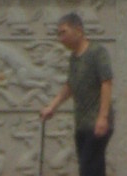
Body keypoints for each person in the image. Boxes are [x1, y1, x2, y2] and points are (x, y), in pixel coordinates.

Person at [41, 12, 114, 174]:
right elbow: (70, 86)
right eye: (58, 34)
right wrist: (52, 106)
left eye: (64, 32)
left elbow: (106, 83)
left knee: (88, 168)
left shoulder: (97, 52)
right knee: (92, 168)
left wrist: (103, 117)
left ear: (78, 30)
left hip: (96, 122)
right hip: (82, 123)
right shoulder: (74, 58)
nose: (61, 38)